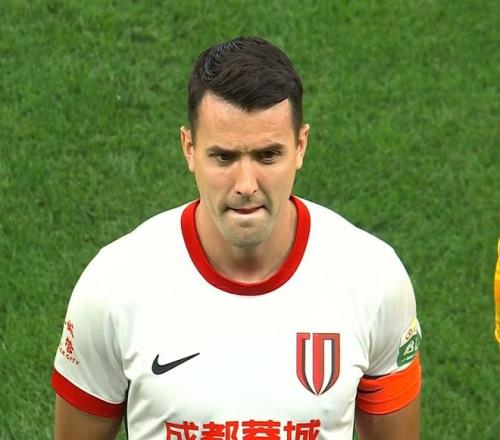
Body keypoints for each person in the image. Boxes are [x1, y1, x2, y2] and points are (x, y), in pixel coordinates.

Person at [52, 36, 422, 440]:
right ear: (189, 148)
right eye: (224, 157)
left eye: (268, 155)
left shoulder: (373, 279)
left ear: (301, 146)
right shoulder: (114, 287)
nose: (246, 184)